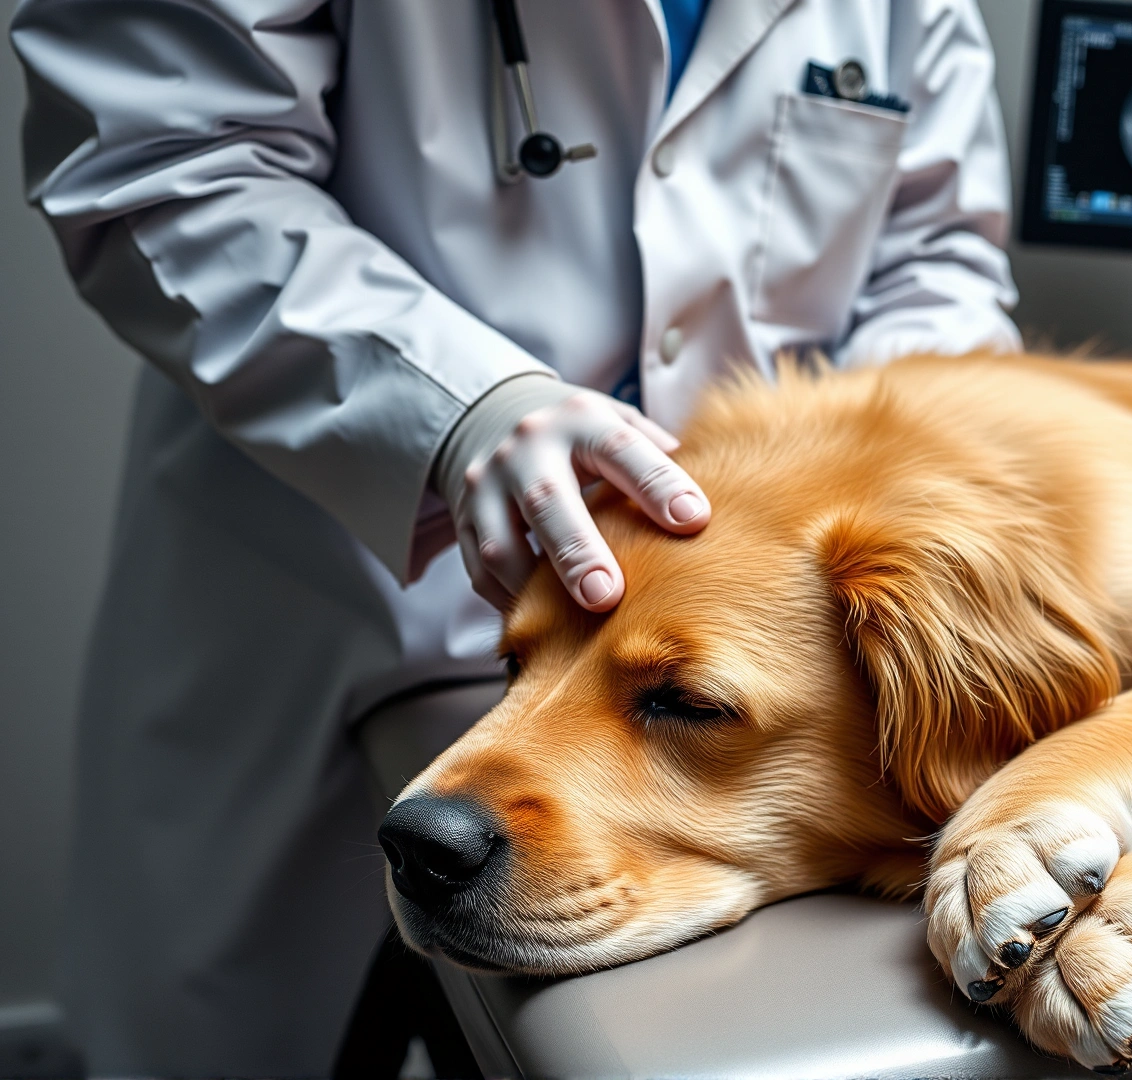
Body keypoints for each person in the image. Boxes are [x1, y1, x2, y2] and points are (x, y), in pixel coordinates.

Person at [10, 0, 1020, 1073]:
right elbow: (165, 159)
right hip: (333, 563)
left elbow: (937, 258)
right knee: (223, 1043)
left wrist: (843, 492)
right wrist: (454, 406)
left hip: (733, 664)